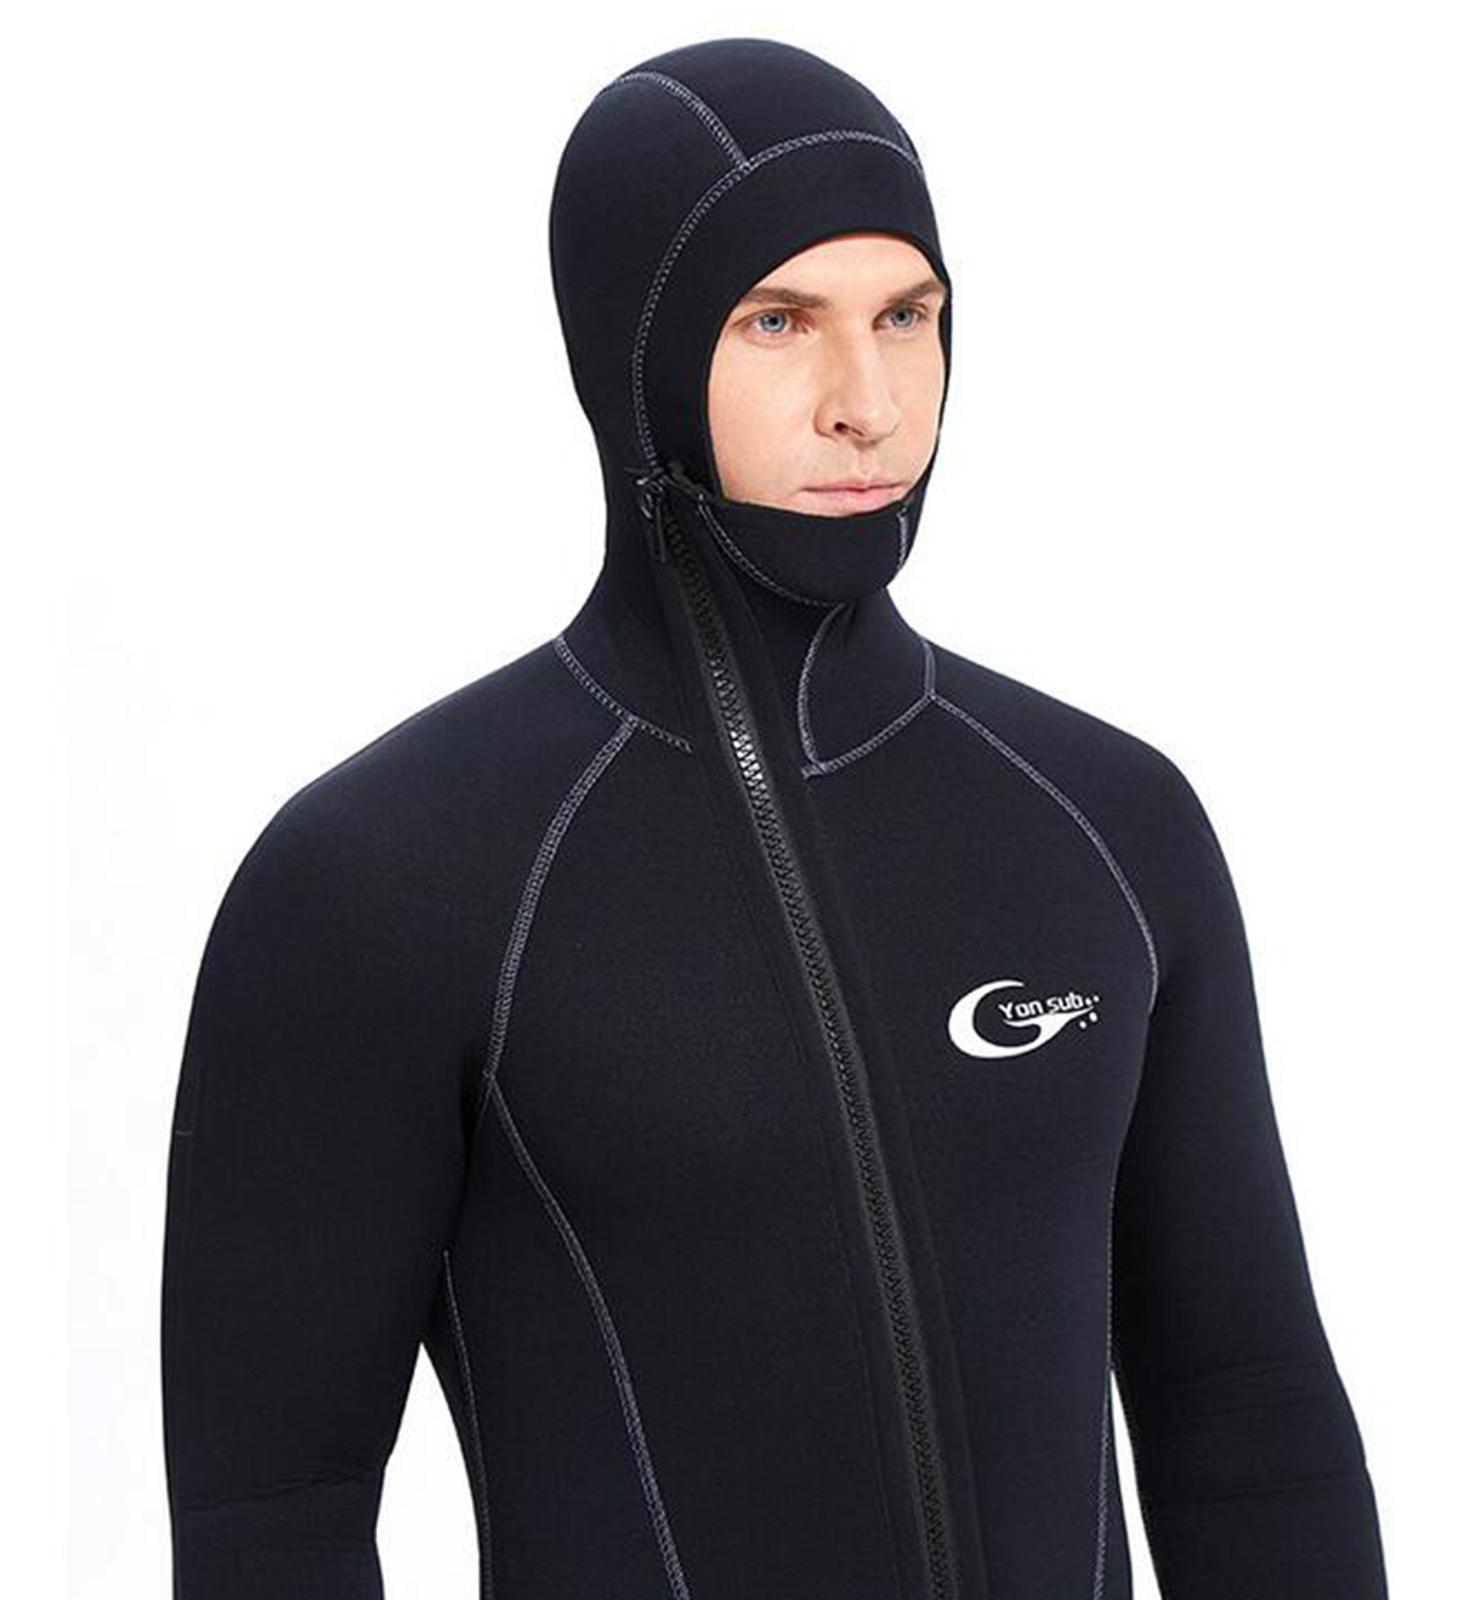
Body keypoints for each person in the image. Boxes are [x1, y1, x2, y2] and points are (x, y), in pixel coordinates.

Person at [160, 35, 1389, 1600]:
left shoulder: (1109, 827)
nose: (867, 403)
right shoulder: (387, 880)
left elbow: (1249, 1417)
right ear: (636, 350)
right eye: (780, 322)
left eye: (906, 316)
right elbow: (274, 1511)